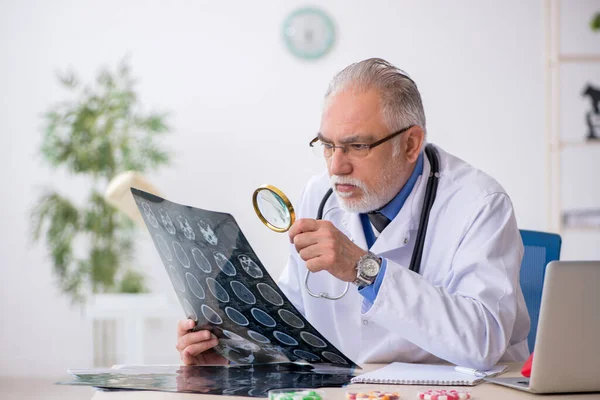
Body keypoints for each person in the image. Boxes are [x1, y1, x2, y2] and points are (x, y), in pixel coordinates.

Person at [176, 58, 530, 370]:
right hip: (353, 389)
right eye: (327, 145)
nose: (337, 166)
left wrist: (365, 270)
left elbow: (483, 341)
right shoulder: (320, 194)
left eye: (357, 146)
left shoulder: (479, 204)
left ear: (410, 144)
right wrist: (236, 354)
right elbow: (293, 323)